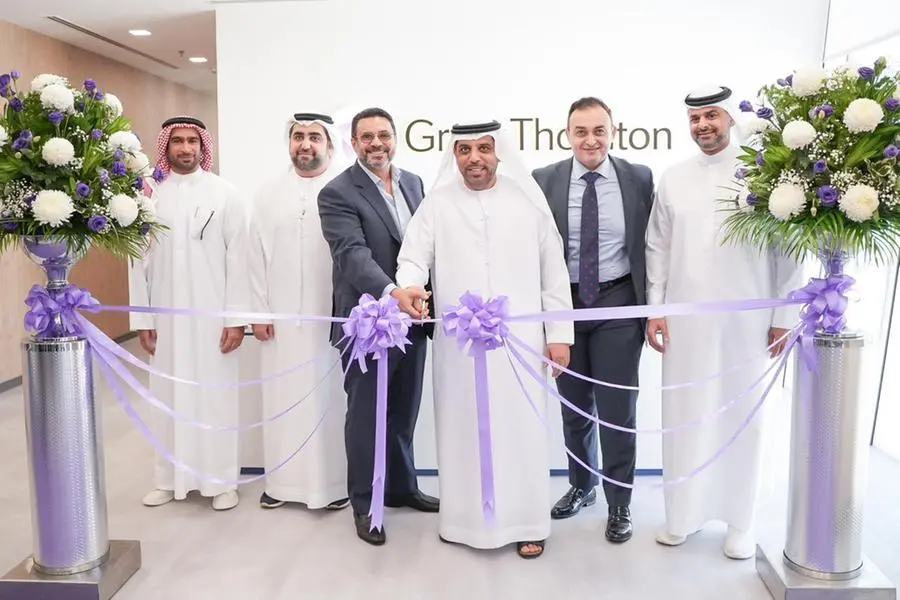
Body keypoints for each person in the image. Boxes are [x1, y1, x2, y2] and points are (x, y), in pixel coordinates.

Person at [395, 120, 574, 559]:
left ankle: (528, 523)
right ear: (454, 156)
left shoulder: (527, 201)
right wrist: (409, 287)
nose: (474, 158)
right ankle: (463, 523)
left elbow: (553, 272)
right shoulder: (437, 204)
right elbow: (413, 257)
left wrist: (560, 335)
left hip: (522, 344)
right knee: (462, 429)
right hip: (460, 346)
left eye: (483, 148)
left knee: (521, 430)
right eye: (464, 150)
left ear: (499, 153)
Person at [645, 85, 803, 559]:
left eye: (711, 116)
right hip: (686, 323)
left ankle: (741, 523)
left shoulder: (764, 173)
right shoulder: (673, 178)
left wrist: (783, 316)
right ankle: (682, 517)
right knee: (685, 416)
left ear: (730, 119)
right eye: (695, 118)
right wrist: (655, 308)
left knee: (742, 417)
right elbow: (657, 247)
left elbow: (788, 249)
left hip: (747, 323)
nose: (703, 126)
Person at [532, 97, 654, 543]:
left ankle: (619, 502)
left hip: (618, 302)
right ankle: (581, 486)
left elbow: (652, 246)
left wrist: (655, 308)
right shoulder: (543, 180)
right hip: (563, 305)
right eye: (581, 131)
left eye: (599, 130)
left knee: (618, 410)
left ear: (613, 132)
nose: (590, 140)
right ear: (567, 135)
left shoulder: (639, 178)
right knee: (575, 406)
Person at [317, 107, 438, 546]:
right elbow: (352, 255)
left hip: (413, 320)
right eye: (366, 137)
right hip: (367, 323)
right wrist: (392, 292)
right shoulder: (336, 192)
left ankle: (402, 487)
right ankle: (366, 503)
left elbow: (424, 247)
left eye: (383, 135)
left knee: (404, 409)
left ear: (395, 139)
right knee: (368, 415)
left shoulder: (414, 183)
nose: (376, 144)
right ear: (353, 143)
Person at [129, 115, 250, 511]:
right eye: (177, 141)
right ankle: (167, 479)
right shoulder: (149, 198)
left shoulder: (226, 194)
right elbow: (137, 262)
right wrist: (142, 320)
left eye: (192, 141)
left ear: (202, 147)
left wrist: (236, 319)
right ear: (166, 146)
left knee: (215, 398)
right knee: (167, 399)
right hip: (165, 321)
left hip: (213, 319)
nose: (185, 148)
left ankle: (221, 482)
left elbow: (239, 261)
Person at [248, 112, 352, 512]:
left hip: (334, 319)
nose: (305, 144)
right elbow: (254, 257)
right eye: (298, 137)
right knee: (281, 400)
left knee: (332, 401)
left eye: (314, 137)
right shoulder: (268, 193)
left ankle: (333, 486)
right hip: (281, 322)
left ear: (329, 144)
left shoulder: (346, 188)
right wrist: (259, 311)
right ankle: (282, 484)